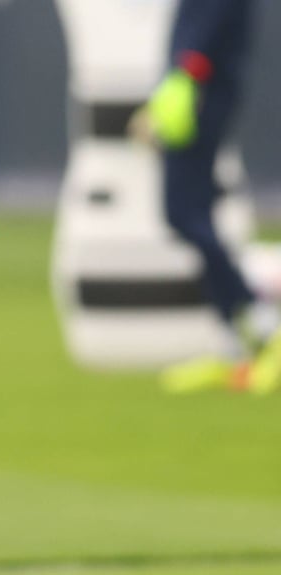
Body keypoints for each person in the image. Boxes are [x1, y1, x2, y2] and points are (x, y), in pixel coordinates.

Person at [141, 0, 279, 395]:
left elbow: (207, 26)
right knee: (195, 213)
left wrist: (183, 81)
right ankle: (234, 347)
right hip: (202, 90)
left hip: (199, 94)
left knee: (182, 213)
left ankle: (258, 314)